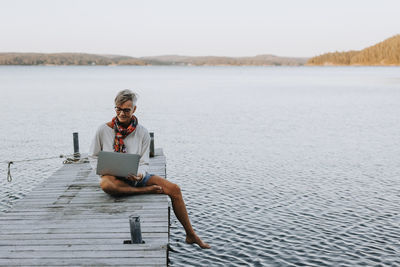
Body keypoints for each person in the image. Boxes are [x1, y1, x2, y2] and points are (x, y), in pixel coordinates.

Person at [89, 89, 210, 249]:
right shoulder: (103, 130)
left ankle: (190, 234)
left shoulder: (142, 133)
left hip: (135, 176)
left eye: (126, 110)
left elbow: (144, 163)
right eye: (118, 109)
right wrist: (103, 169)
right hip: (111, 177)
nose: (122, 113)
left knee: (175, 189)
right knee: (106, 185)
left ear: (134, 110)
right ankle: (146, 191)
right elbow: (93, 156)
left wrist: (139, 175)